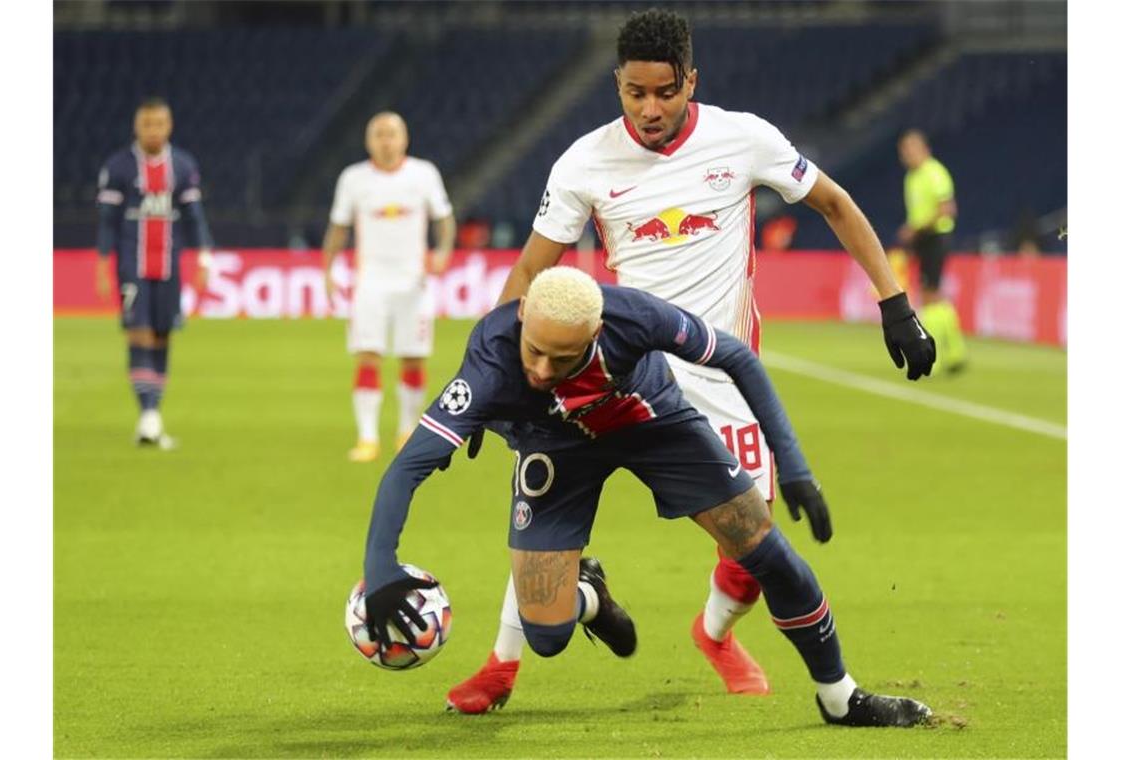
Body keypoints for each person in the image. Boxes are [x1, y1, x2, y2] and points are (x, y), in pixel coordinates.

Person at [448, 8, 936, 713]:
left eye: (664, 93)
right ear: (617, 85)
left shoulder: (743, 139)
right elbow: (530, 274)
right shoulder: (585, 161)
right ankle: (501, 668)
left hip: (723, 377)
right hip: (617, 373)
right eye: (634, 93)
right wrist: (486, 376)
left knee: (751, 550)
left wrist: (894, 303)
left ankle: (715, 636)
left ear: (691, 82)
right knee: (548, 503)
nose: (649, 109)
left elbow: (833, 202)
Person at [360, 267, 932, 728]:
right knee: (548, 635)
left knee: (767, 552)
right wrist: (380, 566)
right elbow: (409, 465)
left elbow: (737, 357)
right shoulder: (491, 356)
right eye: (532, 350)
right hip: (555, 448)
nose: (538, 369)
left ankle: (840, 698)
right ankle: (591, 594)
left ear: (595, 332)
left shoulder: (634, 317)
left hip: (653, 424)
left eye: (559, 359)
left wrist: (796, 466)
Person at [322, 112, 457, 462]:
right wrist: (327, 270)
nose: (386, 140)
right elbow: (338, 228)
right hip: (370, 282)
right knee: (368, 355)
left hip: (414, 282)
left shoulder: (423, 175)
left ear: (405, 138)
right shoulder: (353, 179)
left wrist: (442, 252)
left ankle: (407, 430)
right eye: (379, 134)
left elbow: (444, 220)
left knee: (413, 358)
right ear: (369, 141)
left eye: (392, 133)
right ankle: (367, 437)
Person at [95, 96, 215, 449]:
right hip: (132, 264)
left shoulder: (182, 164)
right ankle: (148, 414)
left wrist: (204, 260)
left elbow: (194, 217)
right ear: (137, 127)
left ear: (169, 126)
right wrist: (103, 265)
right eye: (146, 124)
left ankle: (152, 416)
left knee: (162, 335)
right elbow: (106, 223)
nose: (153, 130)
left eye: (159, 124)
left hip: (168, 266)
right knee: (139, 332)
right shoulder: (118, 167)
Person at [897, 129, 968, 373]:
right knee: (933, 293)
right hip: (924, 239)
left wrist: (915, 228)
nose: (906, 155)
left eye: (910, 149)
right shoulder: (911, 178)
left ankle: (936, 356)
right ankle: (955, 350)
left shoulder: (934, 172)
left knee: (930, 294)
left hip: (937, 236)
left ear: (923, 149)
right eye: (903, 151)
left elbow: (947, 208)